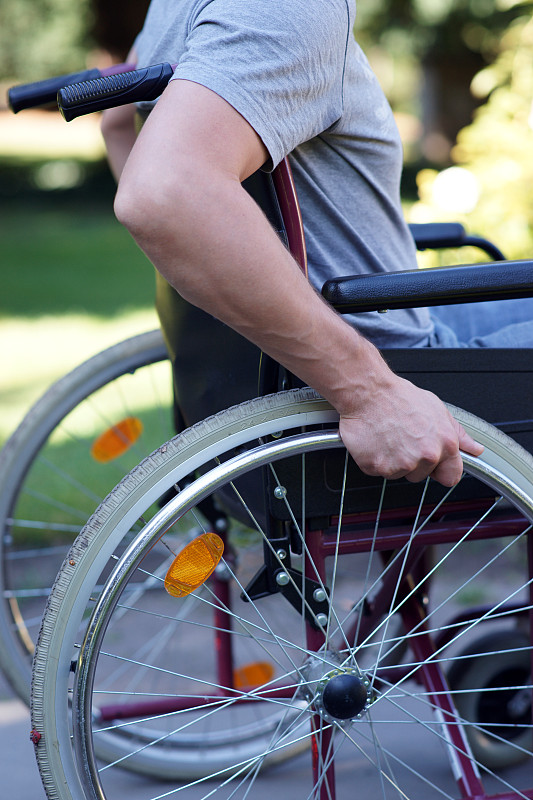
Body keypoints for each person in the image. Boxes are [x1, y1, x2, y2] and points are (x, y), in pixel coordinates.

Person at [101, 0, 490, 488]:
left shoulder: (173, 7)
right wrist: (370, 394)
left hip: (257, 373)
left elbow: (117, 119)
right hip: (393, 362)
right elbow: (165, 194)